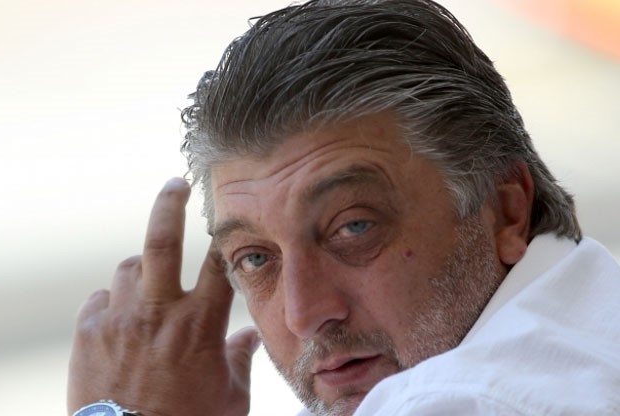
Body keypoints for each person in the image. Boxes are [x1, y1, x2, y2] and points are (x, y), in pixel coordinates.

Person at [67, 0, 620, 415]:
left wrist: (123, 412)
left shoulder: (459, 399)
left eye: (353, 227)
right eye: (255, 258)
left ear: (507, 209)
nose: (304, 313)